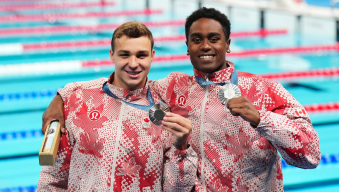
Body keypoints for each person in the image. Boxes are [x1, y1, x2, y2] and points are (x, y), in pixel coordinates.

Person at [42, 8, 321, 191]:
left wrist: (261, 118)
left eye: (214, 38)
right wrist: (63, 95)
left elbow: (310, 156)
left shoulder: (264, 89)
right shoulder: (173, 88)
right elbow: (125, 85)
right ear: (187, 47)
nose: (206, 45)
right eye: (197, 39)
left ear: (228, 43)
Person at [37, 21, 197, 191]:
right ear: (112, 55)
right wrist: (61, 96)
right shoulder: (79, 101)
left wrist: (181, 148)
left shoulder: (166, 112)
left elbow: (177, 189)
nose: (133, 63)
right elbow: (54, 177)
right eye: (124, 55)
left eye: (141, 55)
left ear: (152, 55)